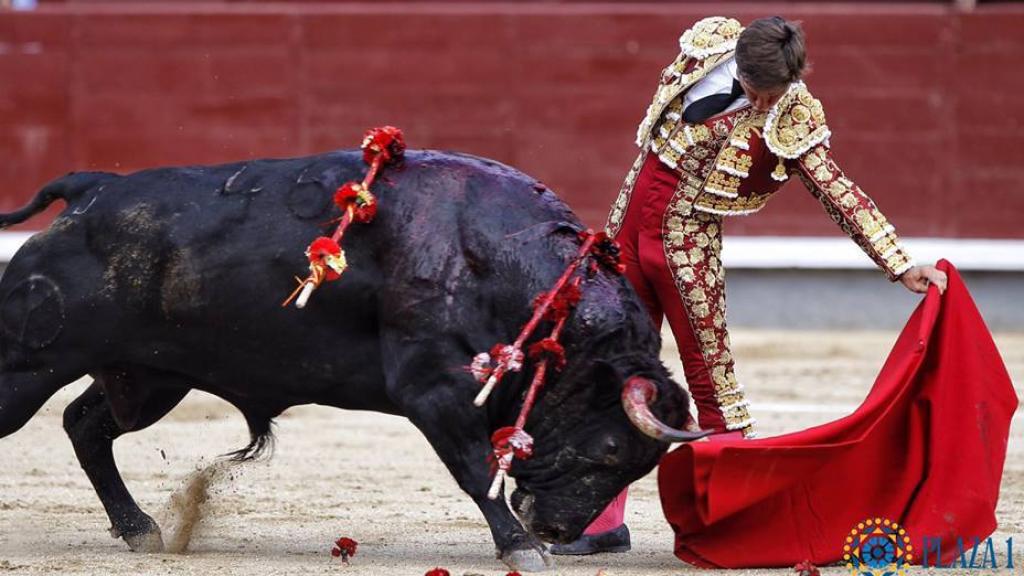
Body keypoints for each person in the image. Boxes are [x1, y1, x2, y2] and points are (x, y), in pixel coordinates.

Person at [549, 15, 949, 556]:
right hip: (627, 230)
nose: (765, 105)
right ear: (739, 66)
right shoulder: (708, 45)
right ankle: (599, 521)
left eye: (775, 94)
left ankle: (729, 524)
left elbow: (837, 190)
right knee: (610, 369)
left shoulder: (794, 114)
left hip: (687, 246)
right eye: (760, 93)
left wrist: (898, 262)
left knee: (714, 387)